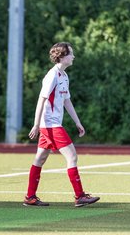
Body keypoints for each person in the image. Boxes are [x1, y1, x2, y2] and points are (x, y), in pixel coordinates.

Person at [23, 42, 100, 207]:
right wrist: (36, 125)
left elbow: (67, 101)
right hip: (50, 125)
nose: (73, 56)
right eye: (71, 53)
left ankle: (30, 197)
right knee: (72, 156)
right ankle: (80, 196)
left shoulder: (64, 76)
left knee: (40, 158)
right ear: (62, 56)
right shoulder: (52, 75)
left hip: (51, 125)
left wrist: (77, 122)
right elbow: (41, 100)